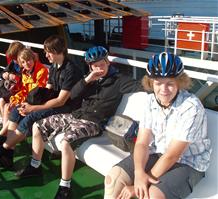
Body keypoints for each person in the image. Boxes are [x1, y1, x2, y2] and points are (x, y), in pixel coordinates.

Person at [16, 46, 139, 199]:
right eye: (95, 65)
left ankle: (65, 187)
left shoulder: (119, 80)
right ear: (90, 66)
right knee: (38, 126)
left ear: (108, 62)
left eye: (102, 64)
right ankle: (35, 166)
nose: (99, 68)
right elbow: (72, 95)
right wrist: (88, 79)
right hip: (75, 115)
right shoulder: (90, 79)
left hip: (94, 122)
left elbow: (144, 85)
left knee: (66, 142)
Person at [104, 52, 212, 199]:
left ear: (179, 82)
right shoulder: (151, 101)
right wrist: (139, 173)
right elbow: (142, 142)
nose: (163, 89)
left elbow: (173, 155)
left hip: (189, 163)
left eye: (170, 83)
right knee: (113, 178)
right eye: (158, 83)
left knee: (152, 195)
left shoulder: (191, 107)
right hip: (158, 152)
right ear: (150, 82)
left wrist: (140, 184)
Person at [0, 35, 82, 168]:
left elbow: (61, 101)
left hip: (68, 107)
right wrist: (27, 104)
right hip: (53, 102)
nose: (46, 55)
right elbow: (46, 92)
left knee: (30, 117)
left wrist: (33, 108)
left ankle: (1, 150)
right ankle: (7, 154)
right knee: (17, 111)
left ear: (56, 51)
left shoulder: (70, 70)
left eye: (48, 52)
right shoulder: (54, 67)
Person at [0, 47, 48, 156]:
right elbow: (25, 91)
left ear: (33, 59)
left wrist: (21, 103)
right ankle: (4, 143)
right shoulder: (26, 72)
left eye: (29, 60)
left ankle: (0, 139)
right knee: (8, 107)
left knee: (13, 111)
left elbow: (37, 93)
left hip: (36, 104)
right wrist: (14, 100)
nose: (27, 64)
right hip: (28, 101)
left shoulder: (41, 71)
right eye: (23, 62)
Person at [0, 41, 25, 128]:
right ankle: (2, 118)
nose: (14, 60)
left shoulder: (24, 63)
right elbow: (3, 72)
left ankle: (5, 124)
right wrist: (6, 75)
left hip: (17, 89)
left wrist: (15, 77)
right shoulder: (13, 63)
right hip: (11, 87)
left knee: (2, 100)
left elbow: (23, 79)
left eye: (15, 58)